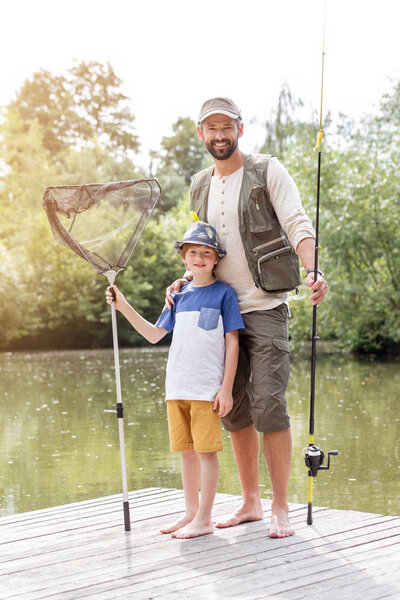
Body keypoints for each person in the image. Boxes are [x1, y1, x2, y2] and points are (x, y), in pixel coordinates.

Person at [165, 97, 328, 538]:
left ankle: (280, 506)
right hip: (218, 313)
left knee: (269, 406)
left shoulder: (266, 170)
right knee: (233, 411)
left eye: (227, 126)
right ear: (200, 133)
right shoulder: (199, 184)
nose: (219, 135)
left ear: (240, 127)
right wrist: (186, 278)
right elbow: (203, 245)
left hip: (265, 306)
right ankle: (250, 502)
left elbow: (297, 222)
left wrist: (312, 269)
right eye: (211, 128)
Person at [106, 220, 244, 539]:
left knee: (206, 453)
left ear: (216, 259)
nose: (199, 258)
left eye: (206, 253)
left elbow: (233, 341)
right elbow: (155, 335)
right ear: (183, 257)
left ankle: (205, 518)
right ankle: (191, 512)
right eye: (192, 252)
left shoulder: (224, 293)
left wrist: (226, 389)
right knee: (186, 453)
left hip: (207, 390)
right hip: (176, 389)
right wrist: (123, 305)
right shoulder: (178, 295)